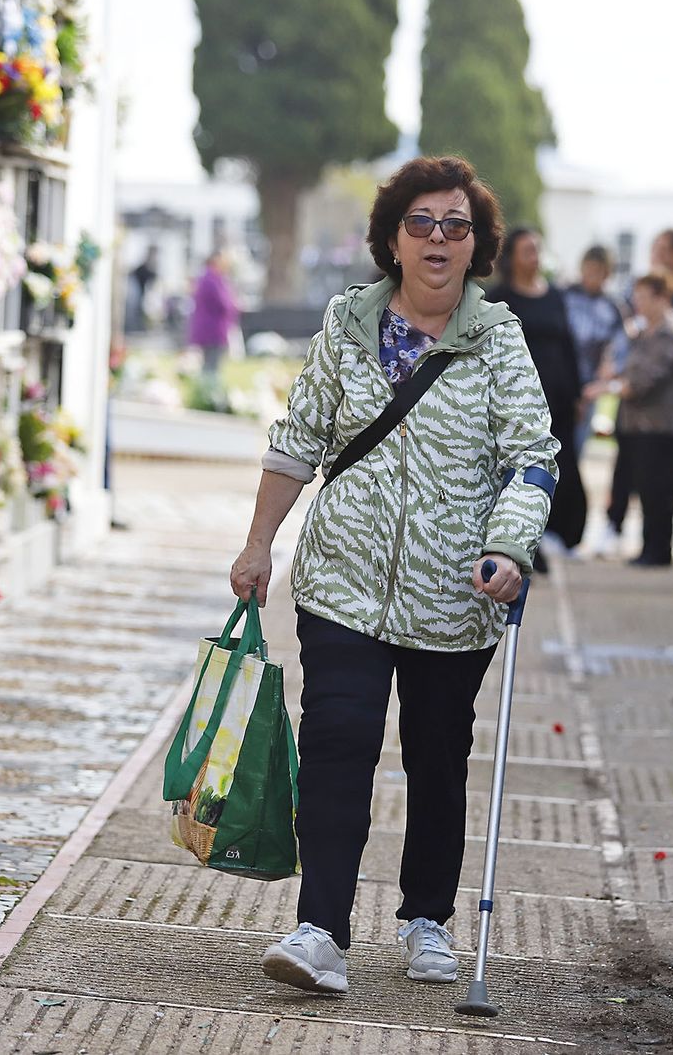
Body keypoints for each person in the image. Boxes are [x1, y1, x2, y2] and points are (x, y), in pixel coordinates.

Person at [230, 156, 557, 997]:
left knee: (436, 758)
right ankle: (321, 929)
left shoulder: (498, 339)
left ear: (477, 242)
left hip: (456, 593)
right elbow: (297, 437)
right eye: (422, 222)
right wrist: (260, 542)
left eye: (457, 225)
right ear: (392, 237)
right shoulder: (345, 324)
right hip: (344, 580)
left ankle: (426, 918)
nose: (440, 238)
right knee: (338, 740)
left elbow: (533, 456)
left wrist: (511, 547)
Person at [487, 227, 588, 555]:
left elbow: (568, 346)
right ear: (511, 258)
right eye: (527, 250)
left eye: (537, 249)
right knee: (522, 465)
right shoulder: (499, 298)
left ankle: (564, 532)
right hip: (518, 400)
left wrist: (577, 394)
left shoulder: (555, 295)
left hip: (558, 398)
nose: (534, 256)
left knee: (566, 465)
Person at [610, 272, 673, 566]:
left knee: (658, 493)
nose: (637, 304)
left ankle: (657, 551)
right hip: (645, 427)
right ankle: (651, 548)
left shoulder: (668, 334)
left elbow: (641, 382)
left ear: (661, 298)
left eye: (643, 298)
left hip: (664, 429)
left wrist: (611, 387)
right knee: (648, 491)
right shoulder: (647, 331)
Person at [564, 245, 626, 454]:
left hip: (589, 385)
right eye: (588, 270)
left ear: (607, 274)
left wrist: (605, 375)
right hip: (558, 380)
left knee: (577, 445)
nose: (591, 277)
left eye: (597, 272)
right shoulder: (564, 297)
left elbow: (619, 349)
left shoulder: (612, 308)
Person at [188, 252, 240, 377]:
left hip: (211, 328)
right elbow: (223, 303)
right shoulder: (211, 280)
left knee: (211, 363)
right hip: (212, 329)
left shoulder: (209, 279)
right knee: (211, 365)